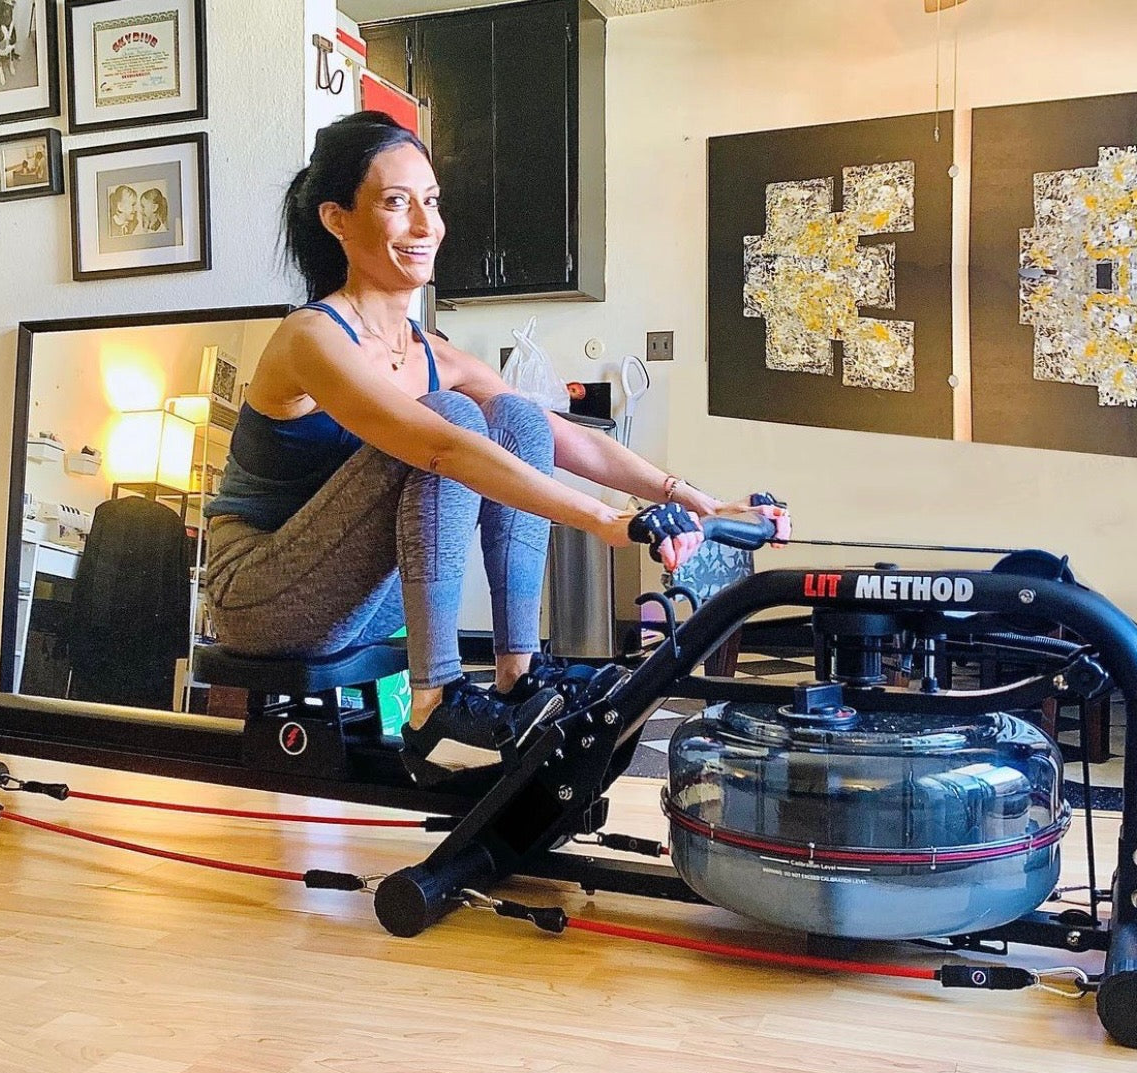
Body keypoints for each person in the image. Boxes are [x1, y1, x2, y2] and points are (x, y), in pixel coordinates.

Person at [204, 111, 789, 785]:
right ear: (337, 218)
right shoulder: (312, 337)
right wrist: (607, 522)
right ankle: (433, 708)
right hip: (260, 594)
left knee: (517, 415)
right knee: (452, 416)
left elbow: (560, 436)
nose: (426, 226)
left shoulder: (430, 352)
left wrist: (689, 498)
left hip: (355, 589)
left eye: (432, 202)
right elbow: (441, 449)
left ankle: (515, 673)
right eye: (398, 203)